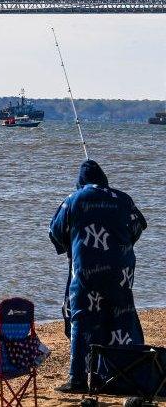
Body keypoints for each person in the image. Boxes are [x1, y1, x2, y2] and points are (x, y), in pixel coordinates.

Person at [49, 160, 147, 393]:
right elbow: (138, 228)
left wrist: (72, 243)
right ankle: (121, 373)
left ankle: (78, 378)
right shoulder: (124, 199)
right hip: (121, 272)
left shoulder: (73, 200)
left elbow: (54, 232)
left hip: (86, 271)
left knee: (82, 319)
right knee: (120, 317)